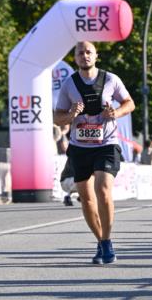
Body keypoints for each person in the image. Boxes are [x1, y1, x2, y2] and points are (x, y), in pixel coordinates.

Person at [53, 41, 135, 264]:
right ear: (75, 58)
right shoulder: (69, 84)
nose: (84, 55)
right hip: (80, 147)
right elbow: (56, 117)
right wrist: (70, 115)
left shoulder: (110, 79)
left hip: (106, 144)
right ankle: (101, 241)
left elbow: (130, 103)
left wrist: (116, 112)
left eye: (89, 52)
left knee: (103, 188)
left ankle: (107, 241)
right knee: (87, 199)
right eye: (80, 53)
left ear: (96, 56)